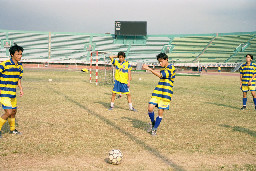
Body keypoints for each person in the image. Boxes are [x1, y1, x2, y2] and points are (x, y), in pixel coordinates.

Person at [143, 53, 175, 136]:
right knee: (150, 108)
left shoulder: (171, 68)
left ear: (166, 59)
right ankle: (153, 123)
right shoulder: (163, 68)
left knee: (160, 112)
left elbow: (161, 75)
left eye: (161, 61)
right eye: (159, 62)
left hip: (166, 94)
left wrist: (149, 69)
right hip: (158, 92)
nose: (160, 63)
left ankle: (154, 129)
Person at [0, 43, 24, 138]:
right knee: (8, 112)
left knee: (14, 111)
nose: (20, 56)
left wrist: (21, 89)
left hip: (12, 92)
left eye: (21, 54)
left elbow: (18, 79)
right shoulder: (4, 64)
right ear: (12, 55)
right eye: (18, 54)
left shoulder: (20, 66)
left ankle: (12, 129)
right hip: (4, 92)